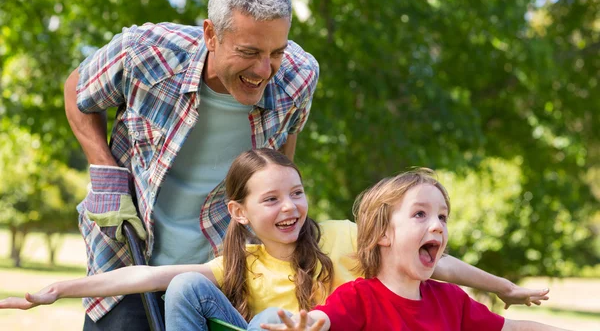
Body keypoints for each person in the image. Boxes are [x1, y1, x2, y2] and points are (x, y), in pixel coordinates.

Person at [0, 150, 550, 331]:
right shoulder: (241, 263)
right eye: (270, 200)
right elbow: (142, 276)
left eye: (297, 192)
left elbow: (439, 262)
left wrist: (506, 287)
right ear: (239, 213)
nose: (289, 207)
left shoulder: (340, 236)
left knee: (274, 323)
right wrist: (59, 288)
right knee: (188, 288)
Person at [63, 0, 319, 330]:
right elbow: (78, 90)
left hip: (218, 276)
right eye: (249, 52)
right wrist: (106, 172)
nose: (264, 69)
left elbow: (283, 151)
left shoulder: (299, 76)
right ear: (211, 35)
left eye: (276, 51)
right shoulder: (147, 54)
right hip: (127, 258)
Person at [258, 169, 567, 331]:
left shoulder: (452, 300)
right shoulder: (359, 298)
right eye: (420, 214)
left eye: (442, 216)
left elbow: (510, 328)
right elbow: (321, 321)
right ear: (382, 234)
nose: (437, 226)